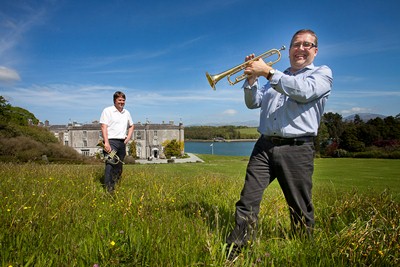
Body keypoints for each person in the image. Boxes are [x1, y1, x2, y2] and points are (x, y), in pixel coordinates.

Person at [225, 29, 333, 259]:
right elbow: (253, 103)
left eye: (307, 44)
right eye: (296, 44)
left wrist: (267, 72)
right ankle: (236, 250)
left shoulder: (321, 74)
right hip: (264, 146)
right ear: (290, 49)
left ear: (315, 50)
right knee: (247, 200)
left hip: (297, 148)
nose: (300, 48)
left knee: (299, 206)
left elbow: (303, 92)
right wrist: (251, 79)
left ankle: (302, 251)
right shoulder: (276, 76)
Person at [100, 91, 134, 193]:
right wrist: (106, 143)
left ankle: (115, 184)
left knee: (119, 165)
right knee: (110, 163)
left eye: (123, 100)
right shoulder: (108, 111)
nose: (122, 102)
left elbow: (132, 126)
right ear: (114, 100)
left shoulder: (126, 113)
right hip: (111, 142)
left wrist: (128, 138)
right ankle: (109, 189)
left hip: (121, 143)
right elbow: (103, 126)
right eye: (119, 100)